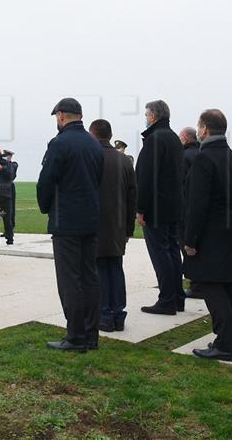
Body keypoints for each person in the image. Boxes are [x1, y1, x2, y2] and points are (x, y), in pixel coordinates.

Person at [38, 98, 104, 351]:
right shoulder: (93, 143)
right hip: (90, 219)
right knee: (89, 278)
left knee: (70, 281)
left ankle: (75, 337)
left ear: (62, 116)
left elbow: (46, 182)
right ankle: (91, 335)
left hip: (66, 221)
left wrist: (47, 208)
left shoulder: (60, 143)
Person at [183, 110, 232, 361]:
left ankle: (225, 345)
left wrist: (190, 240)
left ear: (206, 129)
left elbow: (197, 204)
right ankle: (229, 341)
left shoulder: (204, 159)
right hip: (229, 231)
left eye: (199, 127)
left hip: (209, 234)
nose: (198, 131)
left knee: (211, 288)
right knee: (228, 288)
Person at [136, 100, 185, 315]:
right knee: (173, 251)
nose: (146, 119)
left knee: (161, 254)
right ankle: (177, 297)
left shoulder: (154, 139)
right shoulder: (173, 137)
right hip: (174, 205)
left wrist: (140, 208)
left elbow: (146, 178)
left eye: (147, 115)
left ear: (154, 117)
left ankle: (166, 300)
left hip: (157, 207)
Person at [89, 119, 137, 332]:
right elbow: (132, 197)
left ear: (93, 134)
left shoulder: (91, 157)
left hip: (96, 224)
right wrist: (128, 229)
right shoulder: (125, 161)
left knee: (99, 270)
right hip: (118, 225)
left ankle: (105, 315)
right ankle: (118, 314)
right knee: (116, 269)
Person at [179, 126, 202, 299]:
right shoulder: (201, 153)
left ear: (186, 138)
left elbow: (182, 184)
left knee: (187, 247)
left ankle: (195, 284)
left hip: (186, 207)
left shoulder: (185, 156)